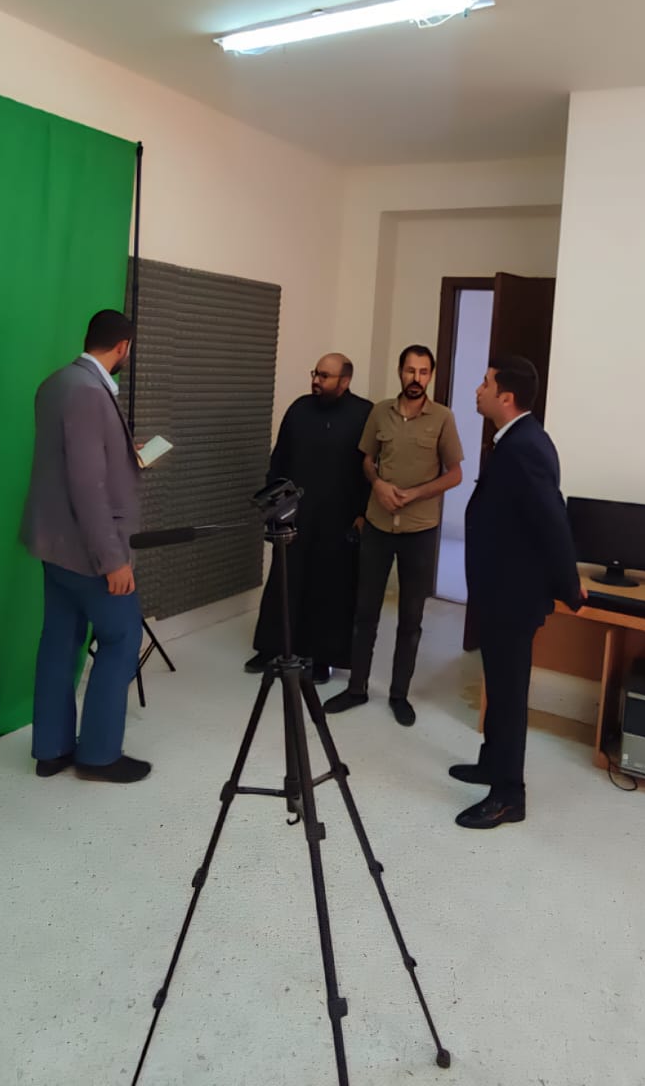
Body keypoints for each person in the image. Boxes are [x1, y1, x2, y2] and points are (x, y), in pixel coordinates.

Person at [17, 309, 152, 784]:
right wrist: (112, 559)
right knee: (121, 638)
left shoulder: (55, 384)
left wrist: (126, 456)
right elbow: (86, 486)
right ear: (123, 347)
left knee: (59, 640)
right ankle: (98, 756)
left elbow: (69, 461)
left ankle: (51, 750)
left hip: (53, 545)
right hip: (89, 551)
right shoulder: (91, 393)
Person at [451, 356, 584, 829]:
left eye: (486, 383)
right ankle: (492, 764)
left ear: (506, 396)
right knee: (498, 686)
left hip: (513, 597)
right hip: (499, 591)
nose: (478, 389)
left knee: (508, 695)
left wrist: (569, 587)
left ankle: (509, 796)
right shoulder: (513, 439)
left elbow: (552, 520)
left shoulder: (526, 446)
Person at [323, 344, 463, 727]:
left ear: (430, 376)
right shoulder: (379, 412)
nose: (416, 378)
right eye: (410, 370)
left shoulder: (443, 418)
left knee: (411, 617)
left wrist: (416, 494)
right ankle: (356, 688)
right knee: (365, 612)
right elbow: (367, 460)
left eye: (423, 372)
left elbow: (455, 474)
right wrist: (378, 484)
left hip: (420, 530)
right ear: (400, 372)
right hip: (378, 525)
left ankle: (399, 695)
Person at [245, 353, 374, 682]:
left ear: (345, 381)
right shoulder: (300, 409)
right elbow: (279, 460)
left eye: (325, 376)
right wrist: (274, 505)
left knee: (329, 588)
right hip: (295, 514)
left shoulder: (364, 414)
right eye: (315, 373)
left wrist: (363, 514)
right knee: (285, 581)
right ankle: (272, 647)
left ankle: (322, 658)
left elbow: (372, 470)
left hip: (339, 519)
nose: (316, 380)